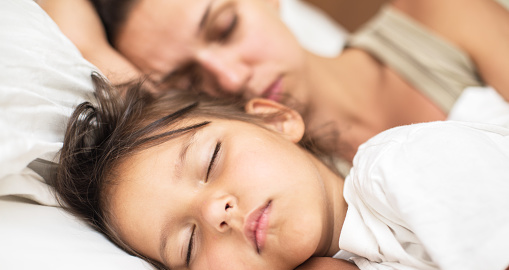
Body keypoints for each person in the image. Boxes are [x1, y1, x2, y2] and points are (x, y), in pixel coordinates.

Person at [55, 73, 509, 270]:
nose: (217, 212)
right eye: (189, 242)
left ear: (276, 119)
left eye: (212, 160)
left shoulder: (398, 164)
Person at [39, 0, 509, 166]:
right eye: (187, 78)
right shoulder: (287, 189)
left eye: (226, 28)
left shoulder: (436, 16)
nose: (231, 78)